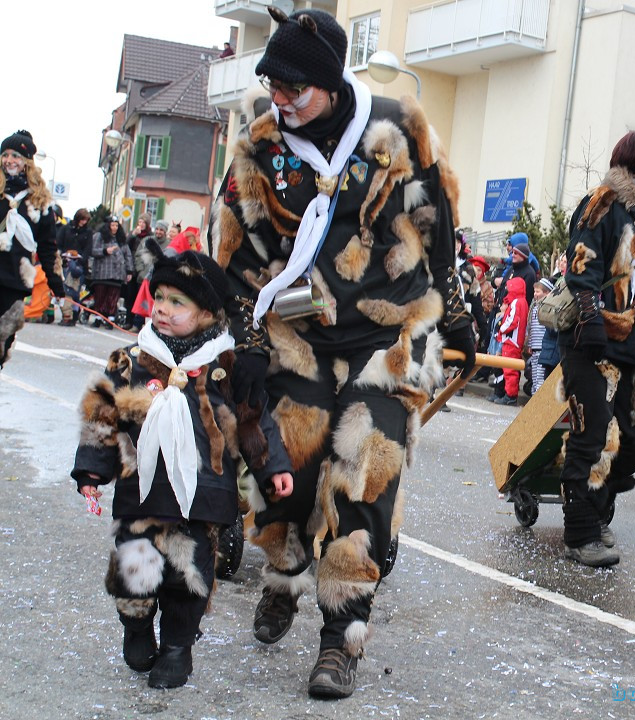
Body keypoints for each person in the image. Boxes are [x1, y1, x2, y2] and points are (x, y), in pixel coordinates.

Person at [208, 7, 473, 697]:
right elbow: (239, 249)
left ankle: (340, 640)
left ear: (329, 81)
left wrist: (458, 309)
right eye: (273, 85)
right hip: (298, 336)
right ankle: (285, 572)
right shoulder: (261, 145)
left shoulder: (399, 129)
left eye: (295, 87)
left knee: (364, 478)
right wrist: (246, 338)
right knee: (287, 472)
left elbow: (438, 222)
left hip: (387, 336)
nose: (282, 100)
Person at [71, 251, 294, 688]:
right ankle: (136, 628)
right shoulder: (132, 361)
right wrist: (92, 471)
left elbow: (255, 420)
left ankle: (177, 647)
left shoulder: (225, 368)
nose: (162, 308)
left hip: (203, 496)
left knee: (189, 578)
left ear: (208, 312)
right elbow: (102, 416)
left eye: (177, 302)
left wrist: (273, 469)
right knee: (135, 571)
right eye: (159, 297)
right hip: (142, 493)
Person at [559, 128, 635, 567]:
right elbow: (581, 262)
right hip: (595, 340)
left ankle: (598, 505)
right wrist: (589, 318)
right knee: (591, 438)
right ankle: (581, 533)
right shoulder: (603, 203)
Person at [0, 130, 65, 364]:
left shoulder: (40, 203)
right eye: (5, 154)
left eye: (15, 155)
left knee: (3, 340)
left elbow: (48, 248)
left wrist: (57, 285)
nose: (9, 160)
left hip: (15, 282)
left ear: (26, 162)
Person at [90, 216, 134, 327]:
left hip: (117, 273)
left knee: (113, 297)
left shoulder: (121, 240)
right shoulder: (99, 237)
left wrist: (129, 271)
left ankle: (110, 318)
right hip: (102, 272)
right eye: (112, 225)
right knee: (100, 296)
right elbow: (93, 251)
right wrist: (105, 251)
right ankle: (98, 317)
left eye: (116, 225)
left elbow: (127, 255)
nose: (114, 228)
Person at [493, 275, 527, 405]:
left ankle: (510, 396)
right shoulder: (521, 301)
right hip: (514, 340)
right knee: (510, 369)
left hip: (511, 341)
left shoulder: (517, 302)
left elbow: (512, 321)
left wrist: (501, 328)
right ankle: (509, 394)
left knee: (509, 370)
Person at [526, 277, 554, 391]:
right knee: (535, 378)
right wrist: (529, 344)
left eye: (538, 291)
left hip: (542, 348)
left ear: (547, 293)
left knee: (540, 379)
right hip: (535, 347)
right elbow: (531, 327)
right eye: (535, 291)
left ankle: (538, 400)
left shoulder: (547, 308)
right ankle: (534, 399)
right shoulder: (534, 307)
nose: (535, 294)